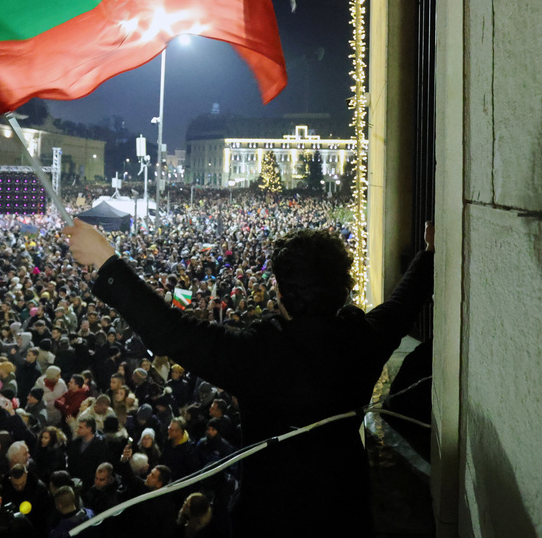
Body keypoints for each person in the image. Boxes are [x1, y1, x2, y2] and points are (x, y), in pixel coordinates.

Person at [62, 219, 436, 537]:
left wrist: (106, 261)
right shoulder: (363, 341)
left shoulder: (258, 355)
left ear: (280, 290)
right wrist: (429, 256)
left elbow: (171, 330)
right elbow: (402, 307)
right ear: (343, 286)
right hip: (345, 511)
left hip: (272, 519)